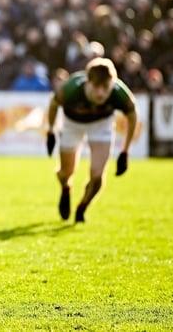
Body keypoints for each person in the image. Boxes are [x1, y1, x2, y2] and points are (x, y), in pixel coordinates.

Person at [46, 57, 138, 223]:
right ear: (88, 83)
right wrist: (51, 131)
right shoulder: (72, 88)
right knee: (65, 172)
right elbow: (53, 104)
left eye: (105, 87)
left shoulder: (119, 93)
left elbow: (132, 115)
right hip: (72, 124)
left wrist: (125, 151)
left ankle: (82, 207)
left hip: (101, 124)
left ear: (112, 83)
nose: (101, 93)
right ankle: (66, 188)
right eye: (96, 86)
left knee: (97, 174)